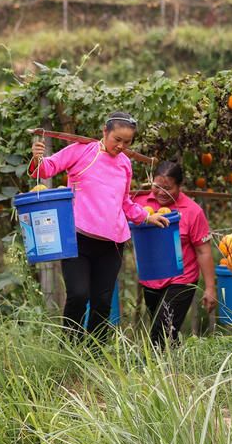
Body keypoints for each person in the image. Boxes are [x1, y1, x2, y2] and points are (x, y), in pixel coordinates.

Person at [30, 111, 169, 340]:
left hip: (112, 244)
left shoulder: (125, 164)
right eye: (117, 140)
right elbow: (47, 168)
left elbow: (125, 202)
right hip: (78, 239)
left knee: (103, 301)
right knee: (78, 294)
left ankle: (94, 352)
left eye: (127, 142)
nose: (122, 146)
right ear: (105, 132)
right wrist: (37, 158)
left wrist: (146, 217)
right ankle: (70, 348)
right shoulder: (81, 150)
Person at [132, 161, 217, 348]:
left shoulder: (193, 211)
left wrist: (210, 288)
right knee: (166, 329)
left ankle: (154, 372)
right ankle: (176, 369)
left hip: (182, 278)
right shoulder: (140, 203)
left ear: (180, 186)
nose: (161, 192)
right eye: (157, 186)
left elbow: (203, 251)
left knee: (161, 331)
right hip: (151, 278)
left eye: (168, 188)